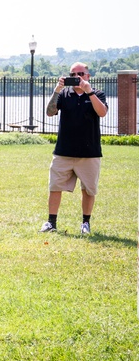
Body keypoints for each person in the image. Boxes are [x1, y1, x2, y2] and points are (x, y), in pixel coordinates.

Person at [39, 62, 108, 235]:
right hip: (64, 151)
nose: (77, 77)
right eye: (73, 74)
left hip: (89, 153)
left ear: (88, 76)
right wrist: (56, 89)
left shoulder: (97, 93)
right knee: (55, 186)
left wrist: (89, 91)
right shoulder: (64, 94)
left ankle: (86, 223)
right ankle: (51, 222)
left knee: (89, 189)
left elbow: (102, 112)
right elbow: (49, 112)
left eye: (81, 73)